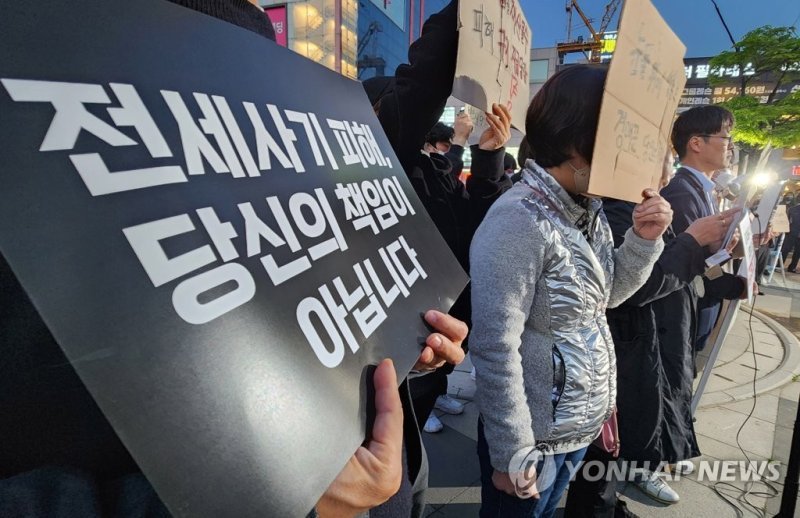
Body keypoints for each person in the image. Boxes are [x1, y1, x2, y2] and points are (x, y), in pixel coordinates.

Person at [0, 2, 470, 518]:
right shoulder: (34, 74)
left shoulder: (294, 98)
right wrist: (274, 500)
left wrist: (399, 342)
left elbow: (297, 316)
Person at [469, 64, 672, 518]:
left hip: (580, 426)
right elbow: (493, 346)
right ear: (579, 141)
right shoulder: (516, 220)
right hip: (533, 438)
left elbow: (607, 298)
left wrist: (643, 239)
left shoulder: (587, 209)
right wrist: (510, 451)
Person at [362, 0, 513, 444]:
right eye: (385, 106)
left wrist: (489, 159)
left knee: (410, 452)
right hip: (391, 334)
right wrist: (463, 18)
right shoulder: (375, 165)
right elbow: (417, 92)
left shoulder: (436, 171)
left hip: (441, 329)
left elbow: (478, 224)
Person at [564, 152, 742, 515]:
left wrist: (712, 252)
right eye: (666, 158)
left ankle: (606, 504)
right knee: (608, 444)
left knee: (616, 444)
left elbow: (680, 273)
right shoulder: (616, 209)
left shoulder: (647, 204)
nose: (670, 168)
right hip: (628, 344)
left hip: (656, 338)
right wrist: (692, 241)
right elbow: (635, 287)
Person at [661, 106, 749, 357]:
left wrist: (736, 245)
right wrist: (735, 286)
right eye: (725, 137)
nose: (730, 146)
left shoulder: (704, 191)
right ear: (697, 143)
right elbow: (687, 263)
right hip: (689, 309)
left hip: (701, 309)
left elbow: (708, 253)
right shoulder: (681, 192)